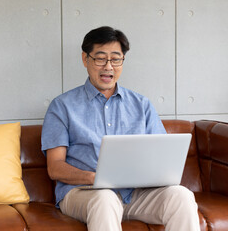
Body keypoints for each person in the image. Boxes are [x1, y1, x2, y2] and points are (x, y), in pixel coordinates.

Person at [41, 26, 200, 231]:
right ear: (85, 59)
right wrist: (95, 178)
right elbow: (55, 167)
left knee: (181, 196)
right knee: (105, 198)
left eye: (116, 59)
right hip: (85, 192)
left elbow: (162, 157)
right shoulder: (62, 106)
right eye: (100, 58)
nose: (108, 66)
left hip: (137, 193)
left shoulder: (141, 104)